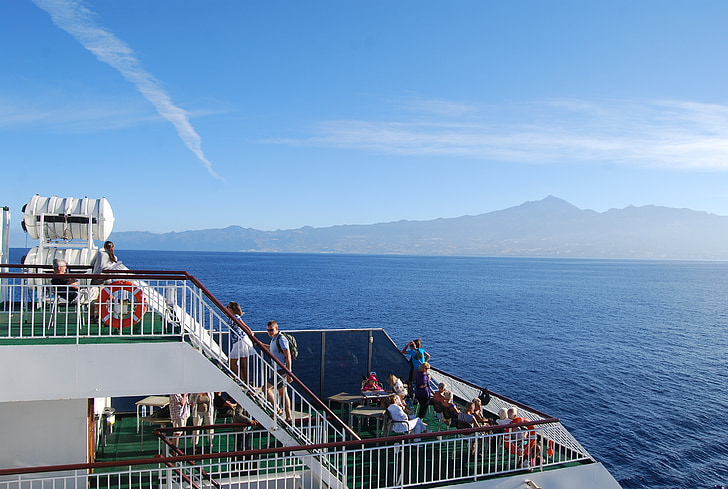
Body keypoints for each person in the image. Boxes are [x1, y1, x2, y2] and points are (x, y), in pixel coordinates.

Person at [266, 320, 292, 424]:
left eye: (271, 330)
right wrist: (261, 344)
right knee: (282, 392)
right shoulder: (273, 340)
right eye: (268, 330)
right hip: (276, 369)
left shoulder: (281, 339)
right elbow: (272, 350)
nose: (270, 332)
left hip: (281, 370)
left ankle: (277, 409)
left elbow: (288, 355)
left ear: (276, 328)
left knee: (266, 388)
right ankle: (289, 417)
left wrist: (289, 373)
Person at [226, 302, 254, 383]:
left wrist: (250, 331)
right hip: (239, 341)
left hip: (240, 341)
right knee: (243, 363)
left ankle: (243, 380)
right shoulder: (232, 317)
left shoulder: (236, 317)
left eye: (227, 307)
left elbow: (243, 325)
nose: (226, 308)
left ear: (231, 309)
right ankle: (246, 382)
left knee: (231, 363)